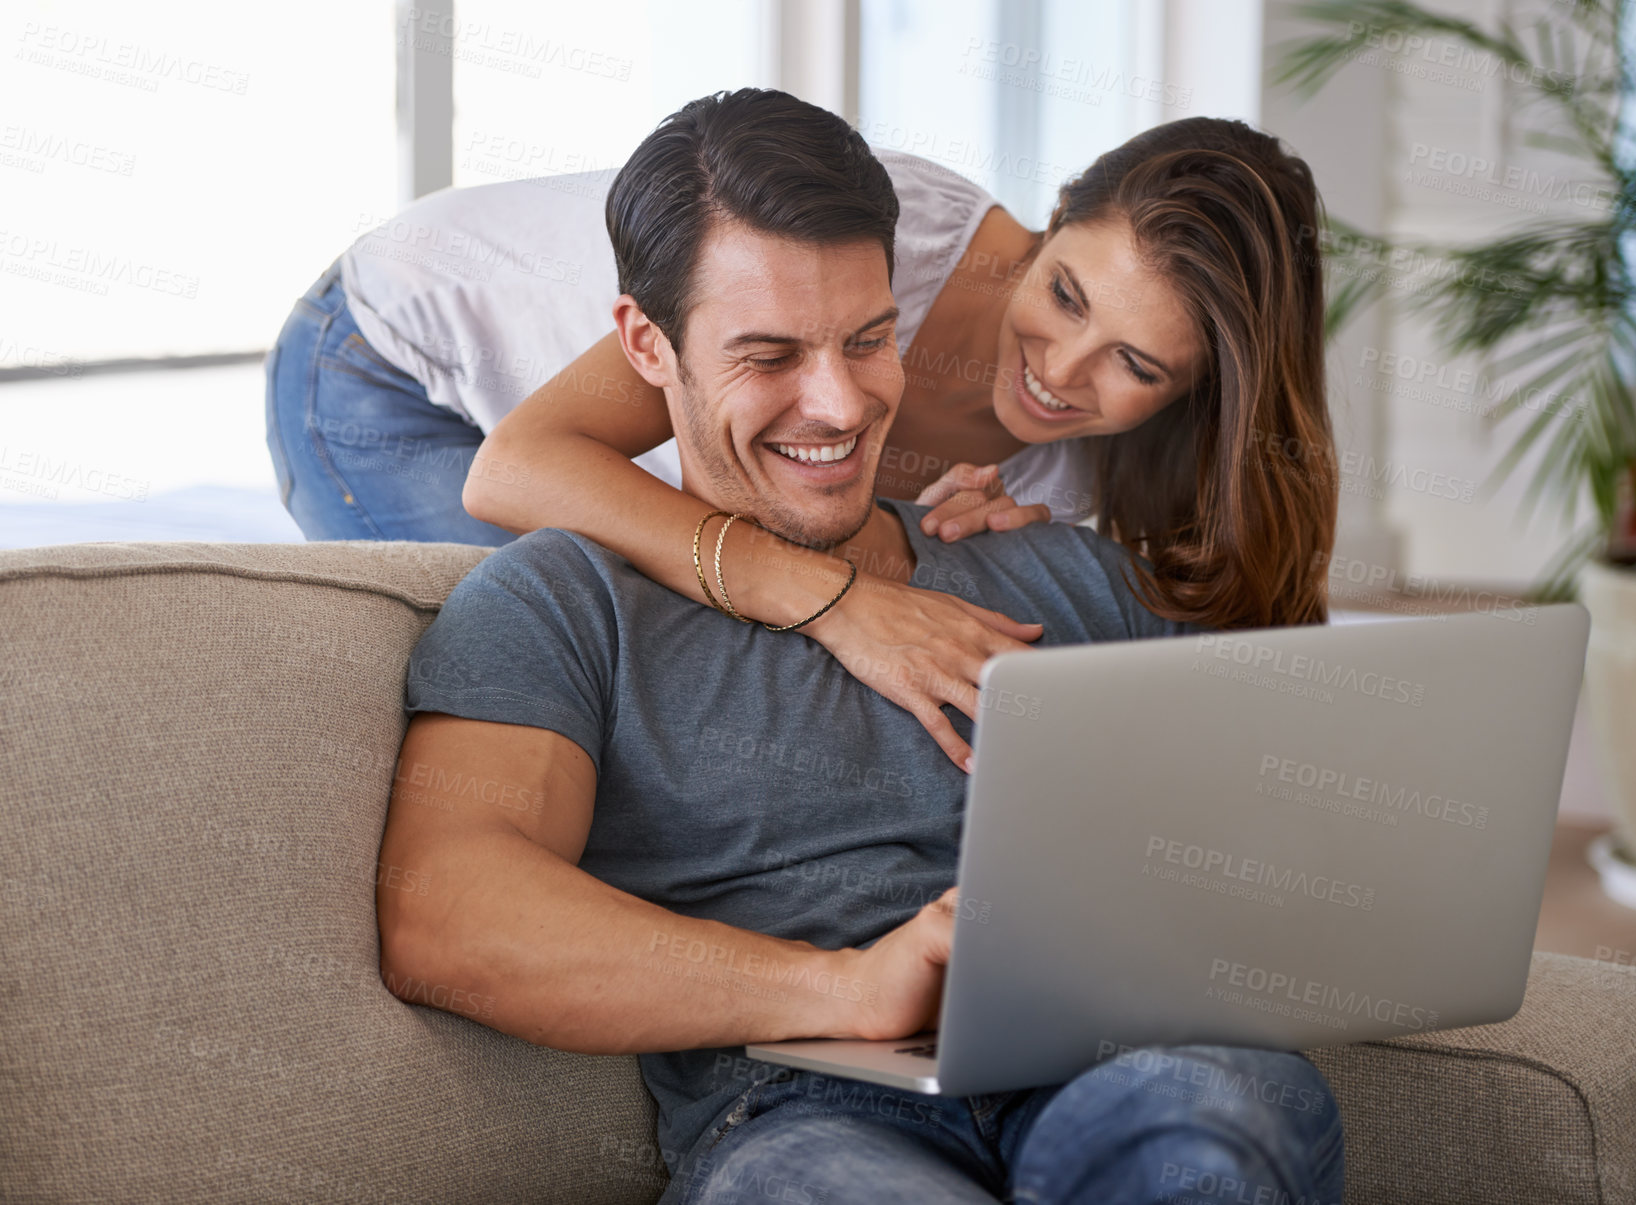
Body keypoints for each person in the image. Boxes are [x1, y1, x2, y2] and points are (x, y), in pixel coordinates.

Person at [375, 91, 1344, 1205]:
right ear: (647, 344)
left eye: (869, 339)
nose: (838, 404)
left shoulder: (1062, 566)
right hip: (808, 1116)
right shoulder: (562, 600)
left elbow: (1292, 822)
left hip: (1121, 1069)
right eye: (770, 354)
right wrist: (842, 986)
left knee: (1222, 1119)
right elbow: (444, 910)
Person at [266, 89, 1336, 774]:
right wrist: (837, 596)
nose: (1059, 371)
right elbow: (525, 466)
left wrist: (968, 557)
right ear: (1052, 219)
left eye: (1136, 364)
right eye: (1064, 295)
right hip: (387, 363)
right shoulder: (891, 240)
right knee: (551, 665)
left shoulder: (1070, 472)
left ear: (1198, 394)